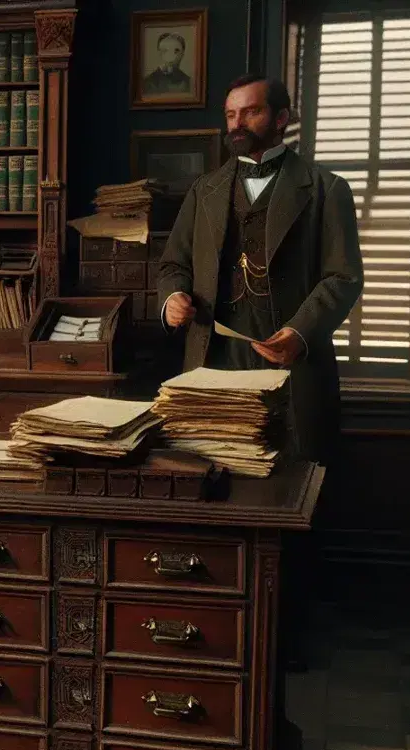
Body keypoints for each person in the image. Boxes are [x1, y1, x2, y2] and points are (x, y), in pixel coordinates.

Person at [158, 74, 364, 464]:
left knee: (289, 486)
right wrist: (172, 297)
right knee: (211, 478)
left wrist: (300, 332)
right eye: (231, 114)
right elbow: (173, 263)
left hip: (291, 365)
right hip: (212, 363)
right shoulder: (205, 190)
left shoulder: (327, 189)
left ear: (282, 117)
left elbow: (344, 276)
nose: (236, 124)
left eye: (251, 112)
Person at [143, 32, 192, 97]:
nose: (171, 55)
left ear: (182, 54)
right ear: (159, 53)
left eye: (176, 50)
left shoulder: (189, 83)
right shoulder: (147, 83)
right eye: (165, 50)